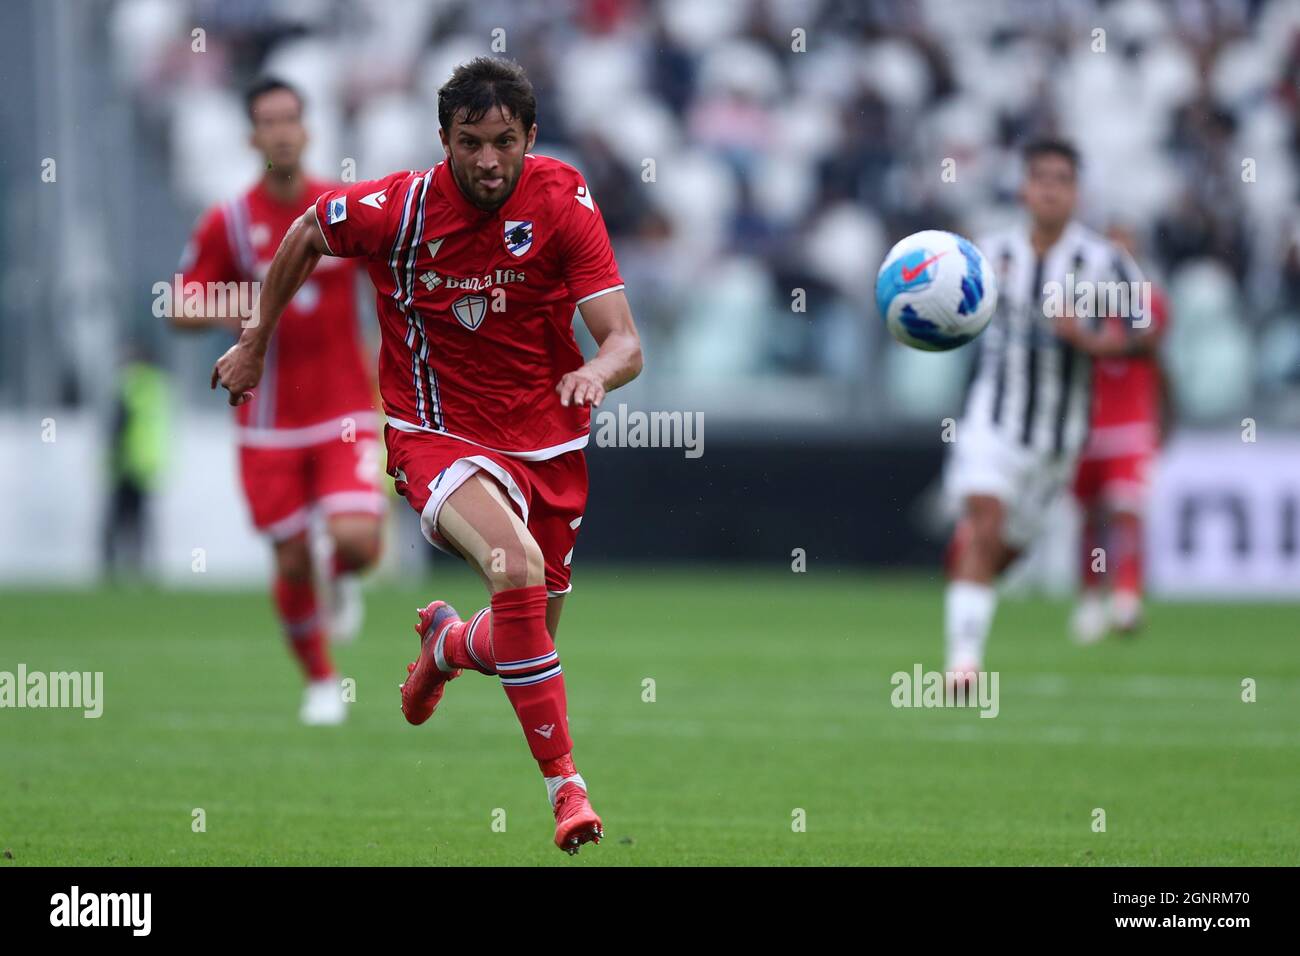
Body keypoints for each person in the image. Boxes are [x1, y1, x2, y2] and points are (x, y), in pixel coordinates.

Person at [210, 58, 643, 854]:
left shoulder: (562, 197)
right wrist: (255, 339)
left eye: (504, 141)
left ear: (530, 137)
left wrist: (594, 369)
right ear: (443, 139)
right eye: (470, 142)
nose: (488, 160)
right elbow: (310, 231)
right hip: (436, 435)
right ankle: (568, 790)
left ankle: (446, 645)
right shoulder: (401, 208)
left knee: (528, 636)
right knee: (511, 566)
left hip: (550, 443)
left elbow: (625, 341)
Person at [172, 77, 385, 725]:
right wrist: (253, 304)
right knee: (290, 557)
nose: (283, 131)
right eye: (269, 121)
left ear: (308, 129)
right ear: (251, 137)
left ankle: (341, 574)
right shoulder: (230, 222)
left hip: (345, 406)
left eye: (292, 118)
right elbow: (179, 305)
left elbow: (391, 275)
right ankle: (321, 682)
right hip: (266, 419)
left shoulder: (340, 207)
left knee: (357, 541)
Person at [942, 138, 1156, 683]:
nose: (1050, 189)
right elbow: (947, 310)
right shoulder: (989, 257)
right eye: (1041, 178)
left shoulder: (1104, 263)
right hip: (993, 418)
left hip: (1058, 438)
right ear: (1023, 188)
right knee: (983, 521)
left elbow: (1145, 335)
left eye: (1062, 180)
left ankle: (975, 590)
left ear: (1076, 192)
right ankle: (963, 665)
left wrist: (1087, 340)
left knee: (1004, 552)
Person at [1071, 225, 1172, 642]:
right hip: (1084, 426)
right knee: (1091, 517)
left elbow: (1155, 357)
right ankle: (1092, 597)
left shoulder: (1151, 303)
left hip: (1131, 424)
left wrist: (1167, 418)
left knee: (1126, 511)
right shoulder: (1077, 300)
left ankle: (1127, 597)